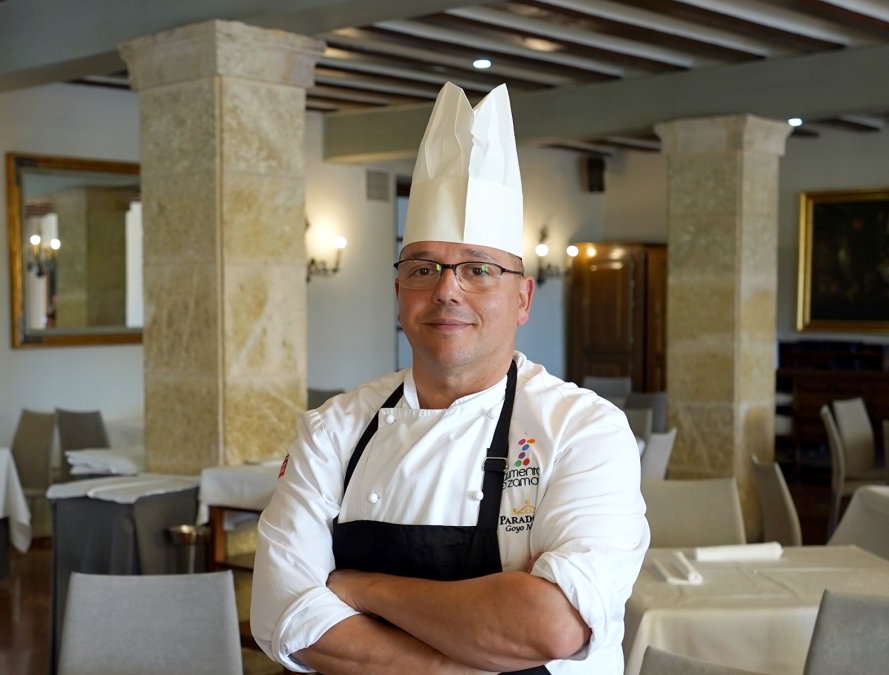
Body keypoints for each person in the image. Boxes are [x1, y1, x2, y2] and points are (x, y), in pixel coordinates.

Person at [250, 82, 648, 674]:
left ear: (522, 298)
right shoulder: (332, 429)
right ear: (398, 293)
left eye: (479, 270)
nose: (446, 289)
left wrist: (362, 588)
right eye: (423, 267)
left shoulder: (584, 429)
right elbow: (286, 617)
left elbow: (551, 623)